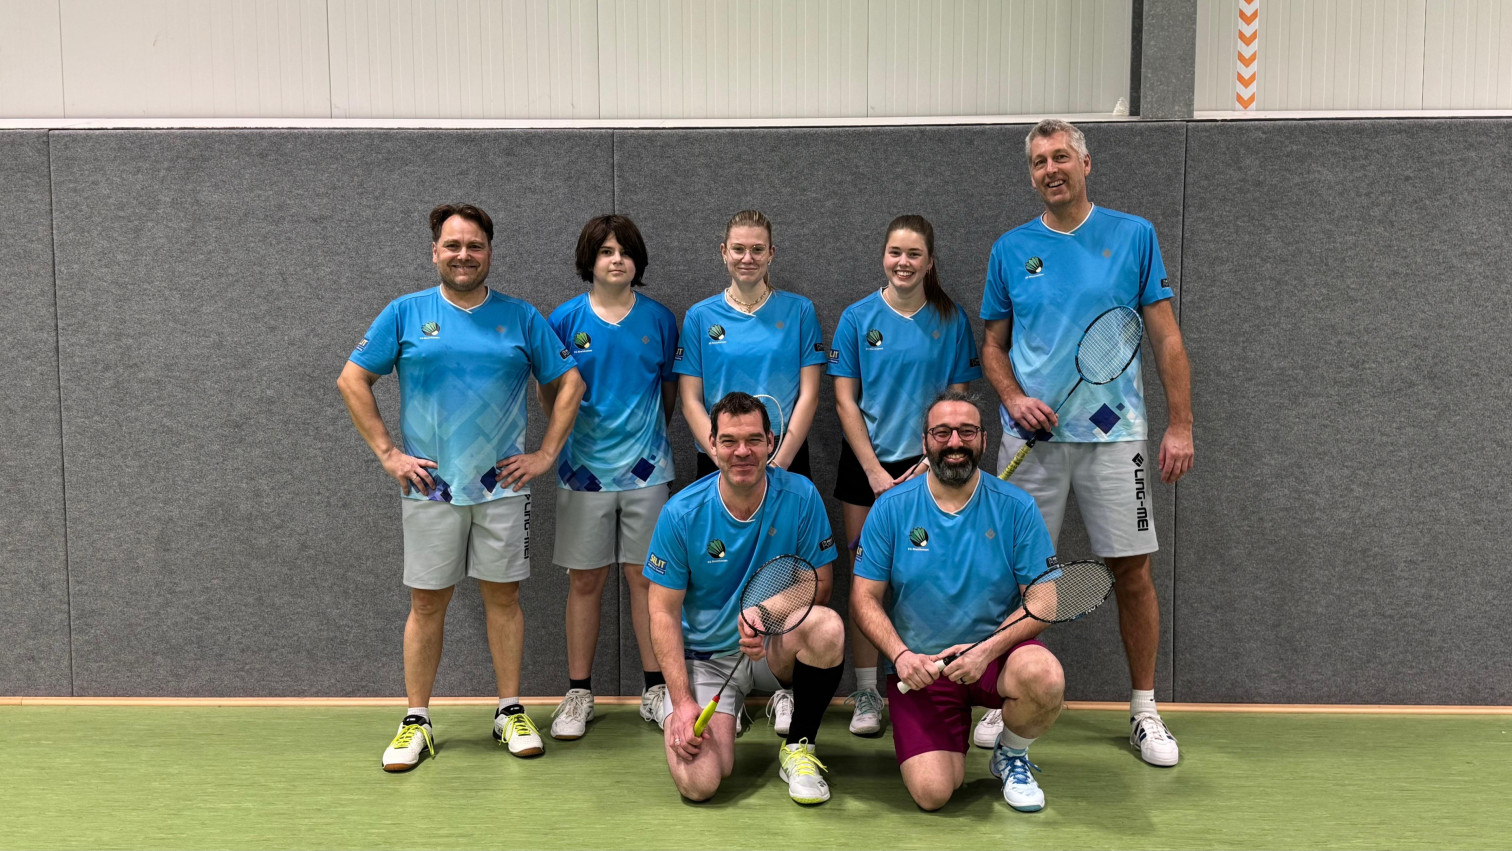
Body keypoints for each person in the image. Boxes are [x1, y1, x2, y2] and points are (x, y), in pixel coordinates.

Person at [338, 203, 585, 771]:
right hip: (430, 489)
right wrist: (389, 455)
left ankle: (508, 710)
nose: (463, 255)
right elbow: (353, 379)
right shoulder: (405, 313)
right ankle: (417, 721)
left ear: (489, 252)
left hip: (502, 489)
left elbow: (569, 381)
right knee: (426, 604)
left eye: (474, 246)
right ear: (435, 252)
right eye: (452, 246)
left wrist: (547, 453)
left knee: (504, 599)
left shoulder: (521, 317)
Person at [979, 118, 1195, 766]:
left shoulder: (1133, 236)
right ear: (1032, 173)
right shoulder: (1011, 248)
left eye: (1061, 156)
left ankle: (1144, 709)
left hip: (1115, 437)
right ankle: (999, 696)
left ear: (1086, 162)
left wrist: (1180, 424)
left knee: (1131, 572)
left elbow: (1166, 338)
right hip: (1032, 441)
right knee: (1012, 574)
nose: (1051, 168)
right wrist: (1014, 398)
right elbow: (991, 345)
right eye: (1040, 160)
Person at [850, 391, 1064, 812]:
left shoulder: (1017, 507)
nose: (954, 442)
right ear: (925, 441)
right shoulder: (890, 509)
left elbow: (1044, 600)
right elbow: (863, 599)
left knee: (1044, 676)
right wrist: (902, 655)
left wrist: (985, 651)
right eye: (942, 432)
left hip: (991, 660)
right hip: (922, 671)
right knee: (933, 795)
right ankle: (951, 736)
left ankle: (1012, 753)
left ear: (983, 439)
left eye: (967, 431)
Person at [644, 392, 845, 805]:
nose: (743, 452)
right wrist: (681, 702)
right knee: (699, 783)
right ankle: (708, 709)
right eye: (730, 441)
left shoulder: (801, 496)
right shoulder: (681, 513)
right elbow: (662, 612)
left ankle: (799, 746)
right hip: (710, 661)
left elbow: (821, 584)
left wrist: (765, 613)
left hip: (773, 647)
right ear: (711, 444)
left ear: (771, 442)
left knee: (827, 627)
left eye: (754, 440)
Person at [675, 210, 830, 737]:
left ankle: (786, 690)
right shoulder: (700, 317)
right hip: (722, 456)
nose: (747, 257)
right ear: (723, 252)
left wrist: (779, 458)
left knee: (787, 573)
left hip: (783, 456)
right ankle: (727, 686)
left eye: (757, 249)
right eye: (738, 248)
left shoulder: (800, 311)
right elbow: (691, 397)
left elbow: (811, 391)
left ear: (771, 254)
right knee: (721, 571)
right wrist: (721, 451)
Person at [828, 215, 982, 736]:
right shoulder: (856, 318)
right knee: (866, 579)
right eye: (895, 252)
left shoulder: (951, 319)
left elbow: (960, 402)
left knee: (924, 574)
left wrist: (929, 457)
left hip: (933, 464)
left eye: (914, 254)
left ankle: (930, 681)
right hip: (866, 468)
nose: (903, 262)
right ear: (883, 256)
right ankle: (868, 690)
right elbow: (845, 401)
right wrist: (873, 470)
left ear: (930, 261)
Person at [545, 215, 679, 740]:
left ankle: (654, 690)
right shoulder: (563, 319)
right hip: (581, 474)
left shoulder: (661, 320)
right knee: (585, 580)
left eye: (624, 251)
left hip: (647, 473)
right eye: (605, 251)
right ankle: (579, 692)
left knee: (647, 581)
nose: (616, 259)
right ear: (590, 260)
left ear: (637, 261)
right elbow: (551, 396)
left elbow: (668, 393)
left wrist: (644, 448)